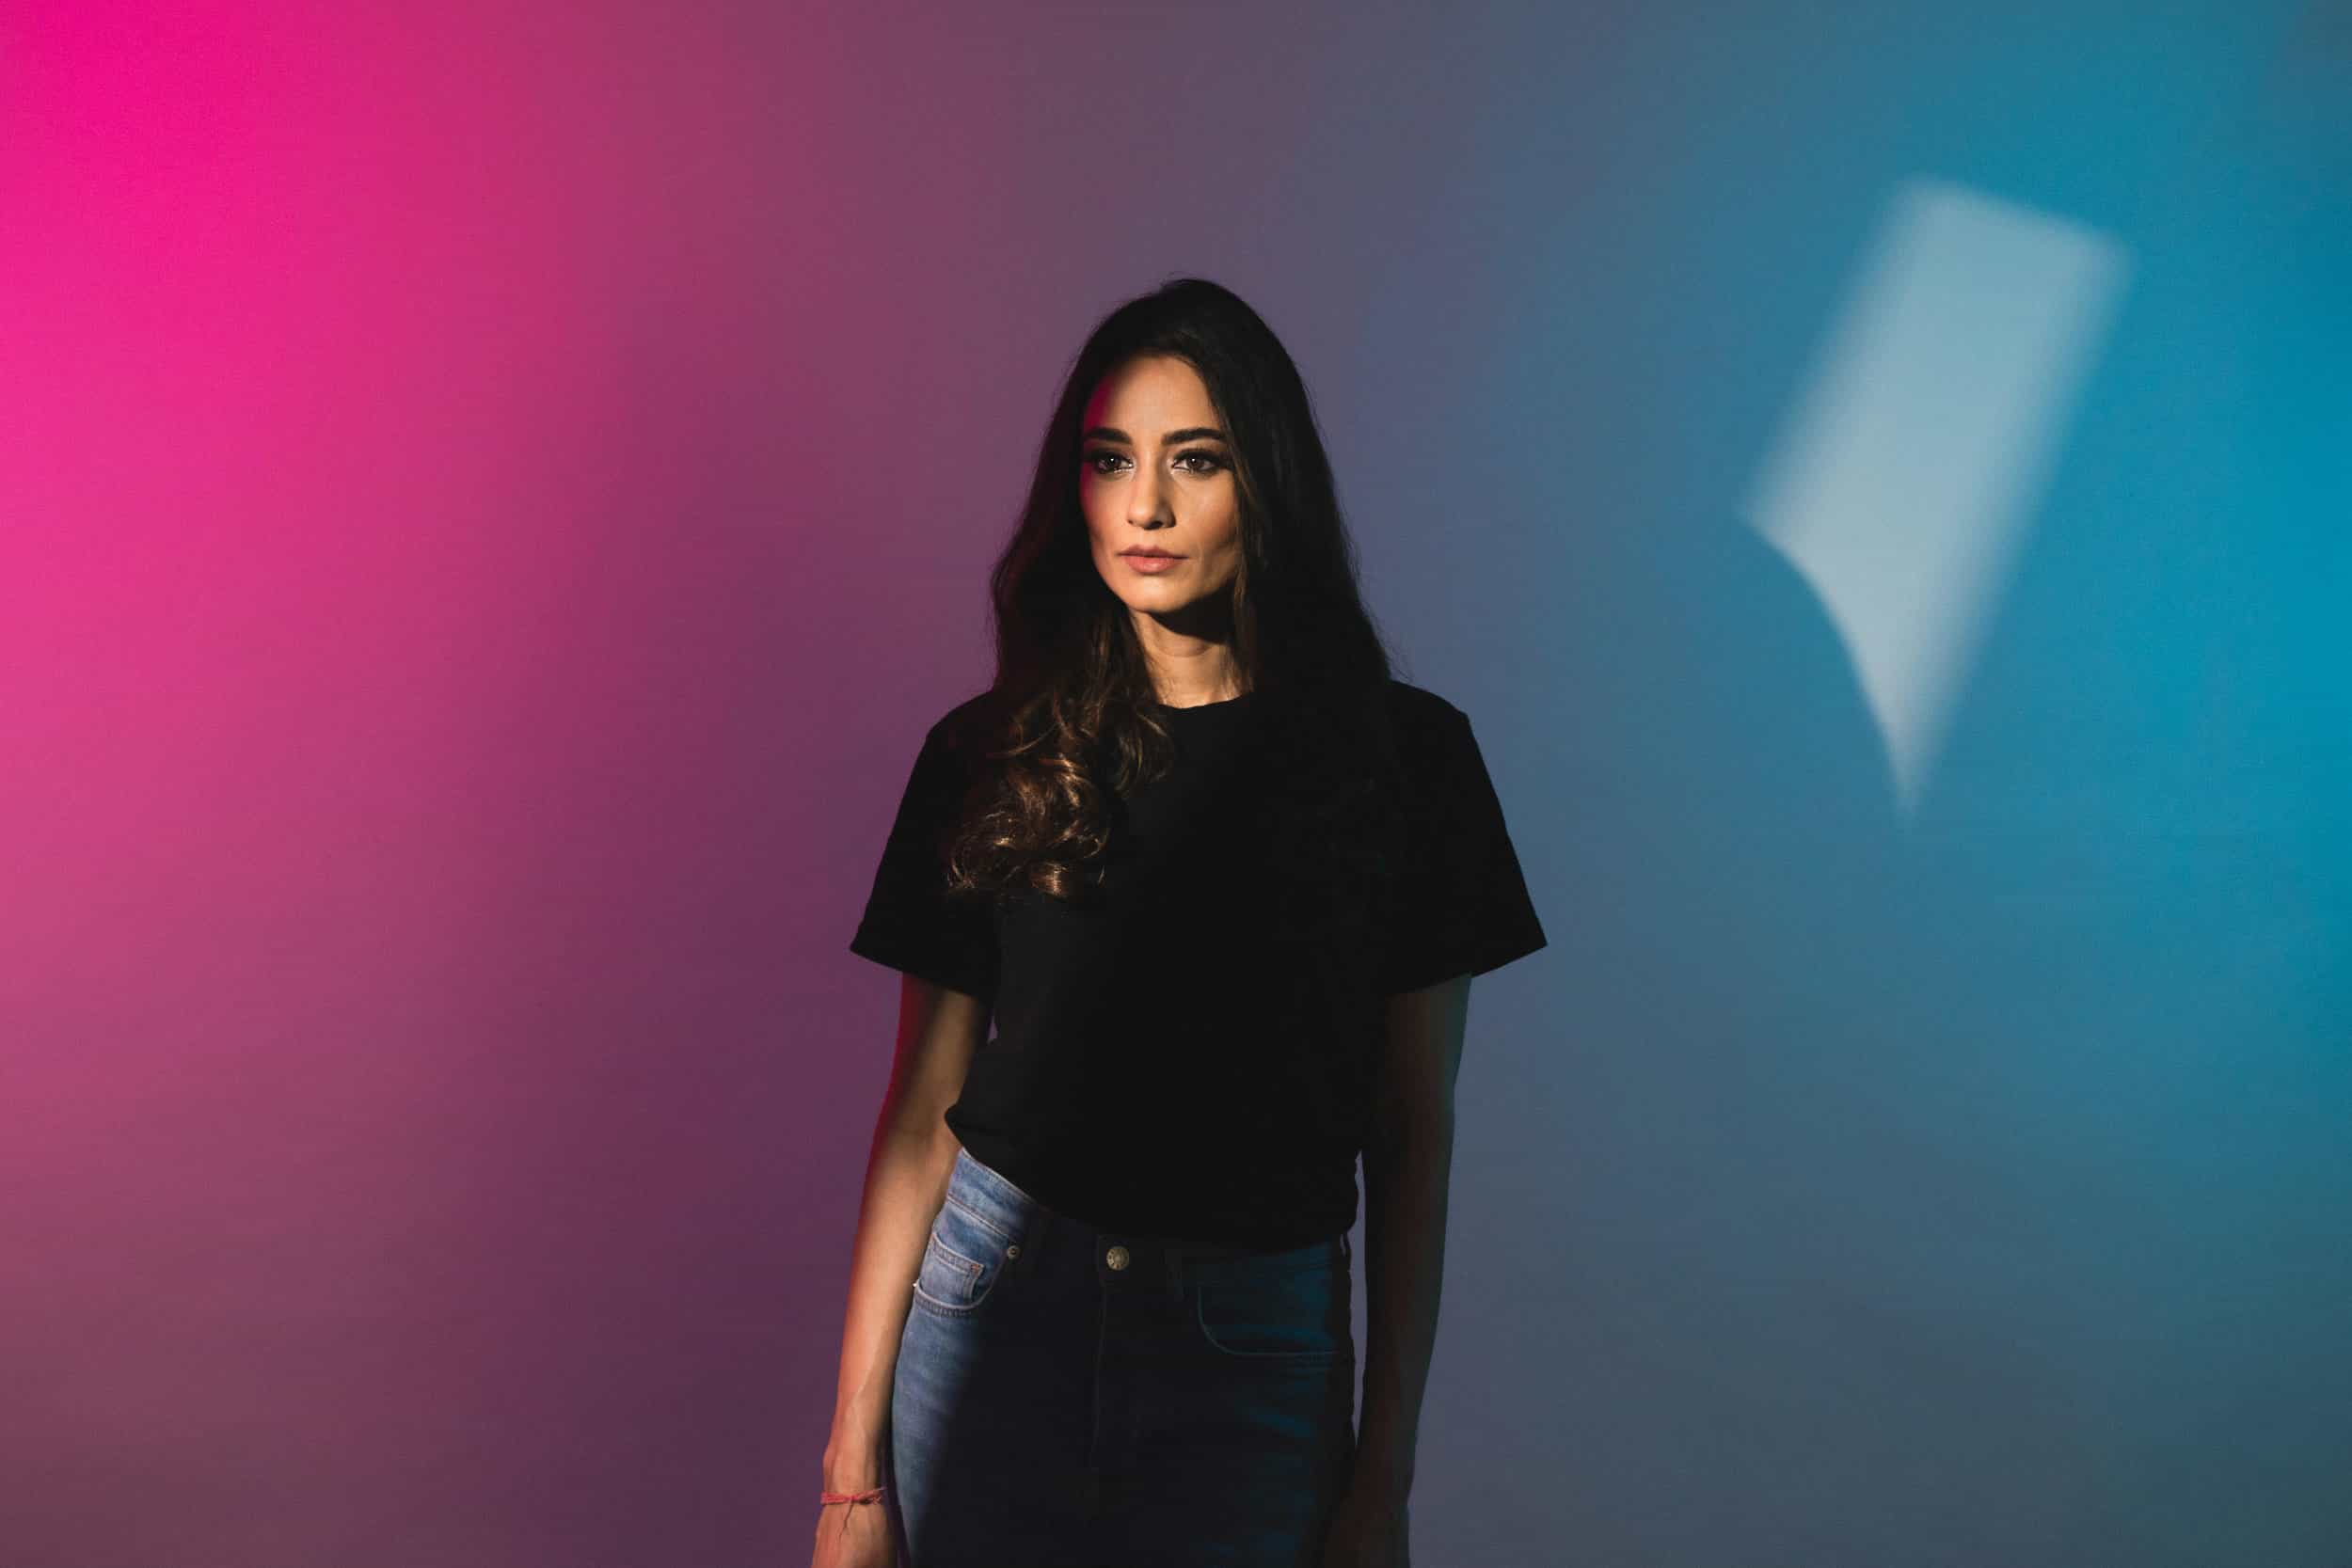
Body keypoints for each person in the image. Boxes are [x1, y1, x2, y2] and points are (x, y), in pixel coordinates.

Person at [815, 277, 1548, 1568]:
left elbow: (1413, 1135)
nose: (1143, 507)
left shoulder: (1406, 763)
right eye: (1111, 462)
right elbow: (922, 1118)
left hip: (1255, 1345)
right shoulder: (993, 752)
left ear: (1264, 483)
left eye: (1192, 462)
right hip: (993, 1308)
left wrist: (1382, 1479)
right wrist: (849, 1482)